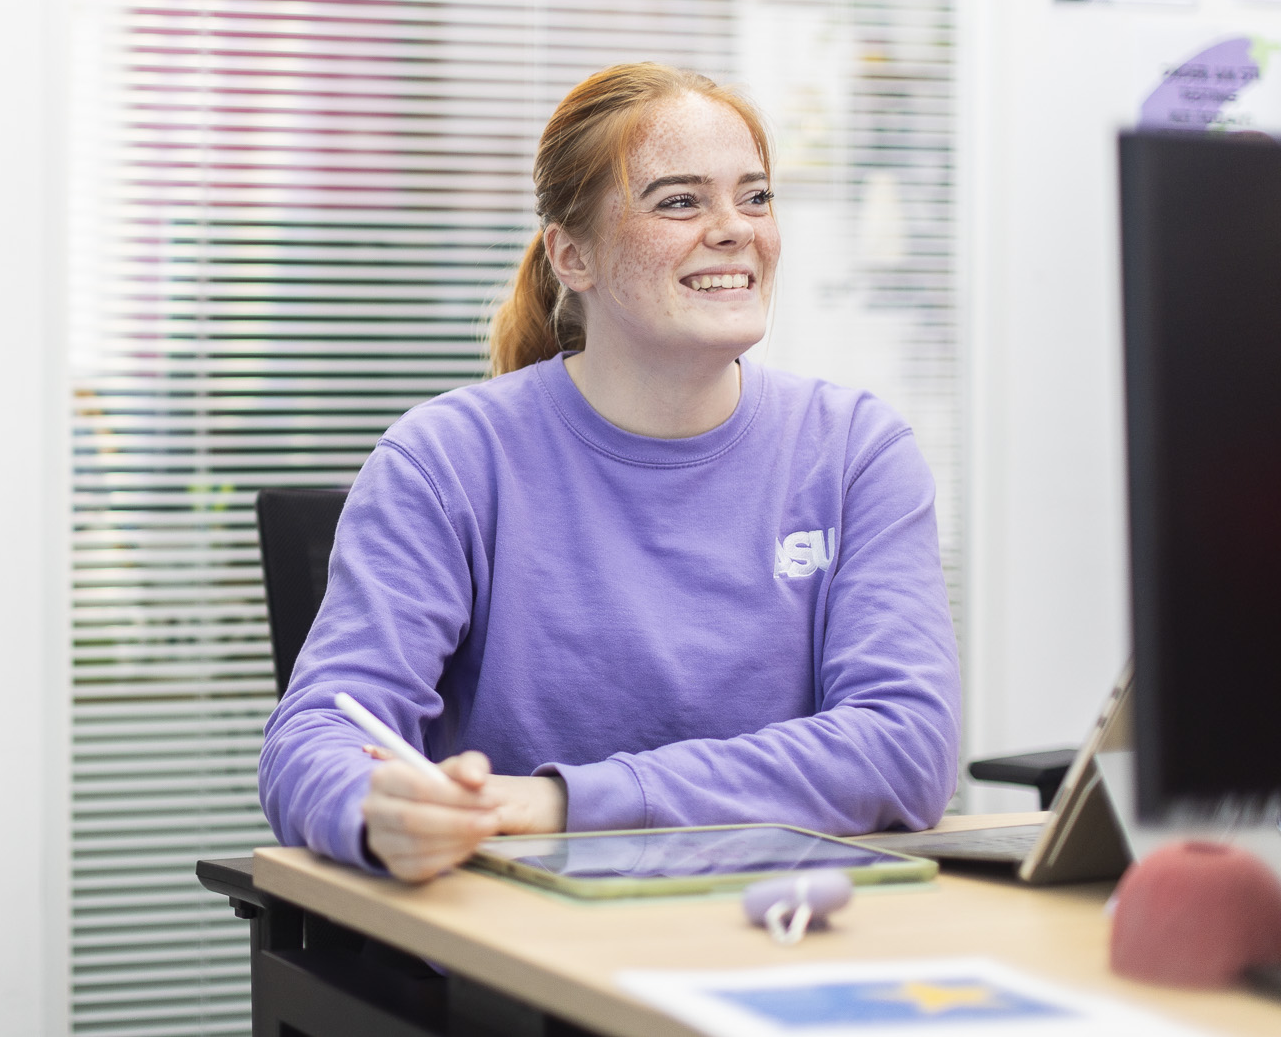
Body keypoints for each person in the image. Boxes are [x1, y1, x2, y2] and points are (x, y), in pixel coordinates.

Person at [258, 62, 960, 883]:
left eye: (756, 196)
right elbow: (314, 740)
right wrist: (377, 809)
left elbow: (905, 745)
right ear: (573, 255)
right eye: (680, 201)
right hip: (524, 956)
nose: (736, 229)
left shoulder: (855, 452)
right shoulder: (447, 460)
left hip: (786, 928)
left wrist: (567, 804)